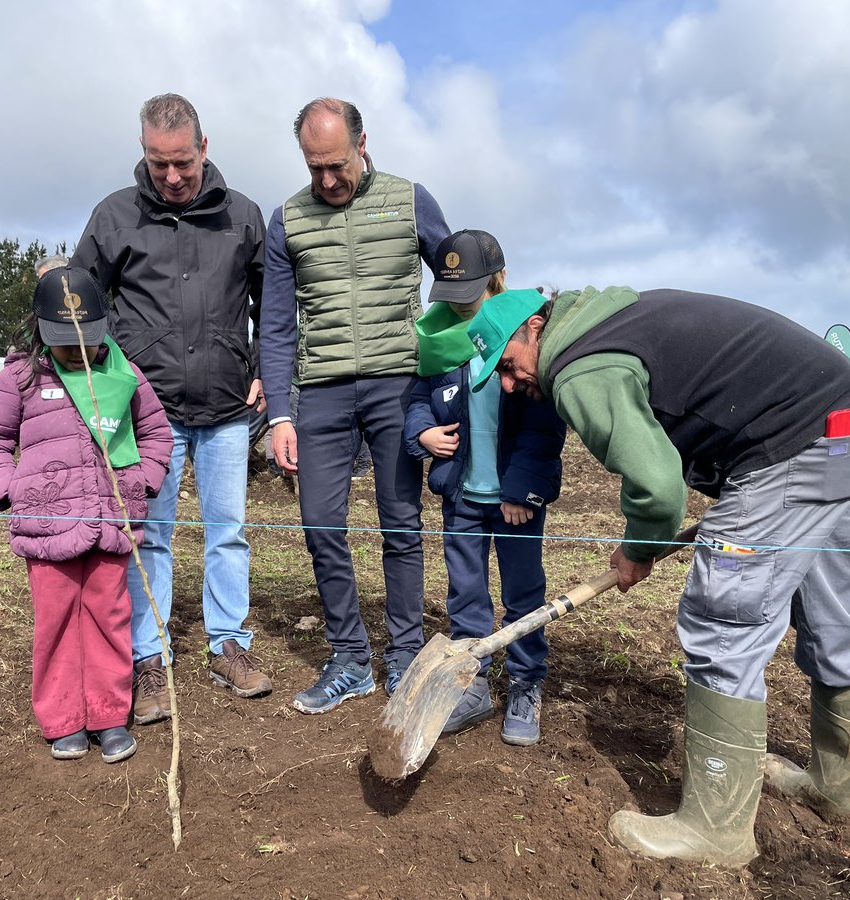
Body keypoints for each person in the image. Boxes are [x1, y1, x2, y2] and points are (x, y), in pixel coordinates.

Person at [466, 286, 850, 867]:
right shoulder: (612, 318)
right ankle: (844, 790)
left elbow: (658, 487)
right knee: (833, 614)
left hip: (795, 445)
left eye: (510, 367)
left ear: (535, 328)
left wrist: (638, 547)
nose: (513, 385)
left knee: (723, 619)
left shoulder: (578, 368)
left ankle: (714, 831)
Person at [71, 93, 272, 722]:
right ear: (143, 153)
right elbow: (80, 306)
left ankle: (229, 644)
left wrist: (264, 366)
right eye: (160, 165)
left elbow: (273, 304)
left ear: (204, 148)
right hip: (146, 412)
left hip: (226, 405)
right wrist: (101, 383)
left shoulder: (242, 216)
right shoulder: (113, 217)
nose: (173, 176)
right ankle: (148, 657)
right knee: (149, 535)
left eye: (182, 162)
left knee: (228, 531)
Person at [259, 97, 451, 713]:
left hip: (399, 383)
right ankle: (349, 659)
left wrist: (460, 374)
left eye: (337, 164)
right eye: (315, 168)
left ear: (364, 143)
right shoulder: (286, 220)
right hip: (321, 391)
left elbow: (457, 286)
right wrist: (280, 414)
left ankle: (403, 654)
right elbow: (277, 325)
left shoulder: (410, 200)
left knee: (400, 521)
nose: (327, 180)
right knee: (319, 520)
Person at [0, 267, 174, 763]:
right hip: (46, 529)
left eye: (86, 340)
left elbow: (157, 434)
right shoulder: (21, 375)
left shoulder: (124, 374)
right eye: (63, 341)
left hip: (112, 523)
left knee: (110, 616)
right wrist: (10, 489)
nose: (76, 352)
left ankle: (108, 716)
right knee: (56, 621)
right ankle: (63, 720)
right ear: (39, 328)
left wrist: (139, 483)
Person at [403, 230, 565, 745]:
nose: (458, 306)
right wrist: (422, 431)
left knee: (523, 592)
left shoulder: (527, 341)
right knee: (466, 593)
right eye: (450, 296)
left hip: (515, 502)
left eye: (469, 293)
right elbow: (418, 399)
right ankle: (472, 682)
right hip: (462, 495)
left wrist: (522, 489)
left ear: (497, 281)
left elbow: (545, 426)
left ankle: (525, 681)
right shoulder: (442, 343)